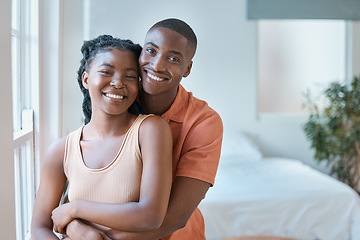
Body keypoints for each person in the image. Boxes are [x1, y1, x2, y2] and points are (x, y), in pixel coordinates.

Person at [66, 18, 224, 240]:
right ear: (140, 54)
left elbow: (176, 217)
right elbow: (81, 187)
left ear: (187, 69)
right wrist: (76, 227)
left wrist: (96, 235)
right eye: (151, 51)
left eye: (173, 58)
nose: (158, 65)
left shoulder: (204, 121)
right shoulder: (118, 97)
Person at [30, 35, 173, 240]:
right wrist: (79, 230)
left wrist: (74, 210)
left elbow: (151, 216)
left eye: (130, 76)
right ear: (86, 79)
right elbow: (39, 228)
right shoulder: (61, 150)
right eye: (106, 72)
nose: (118, 82)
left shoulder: (150, 130)